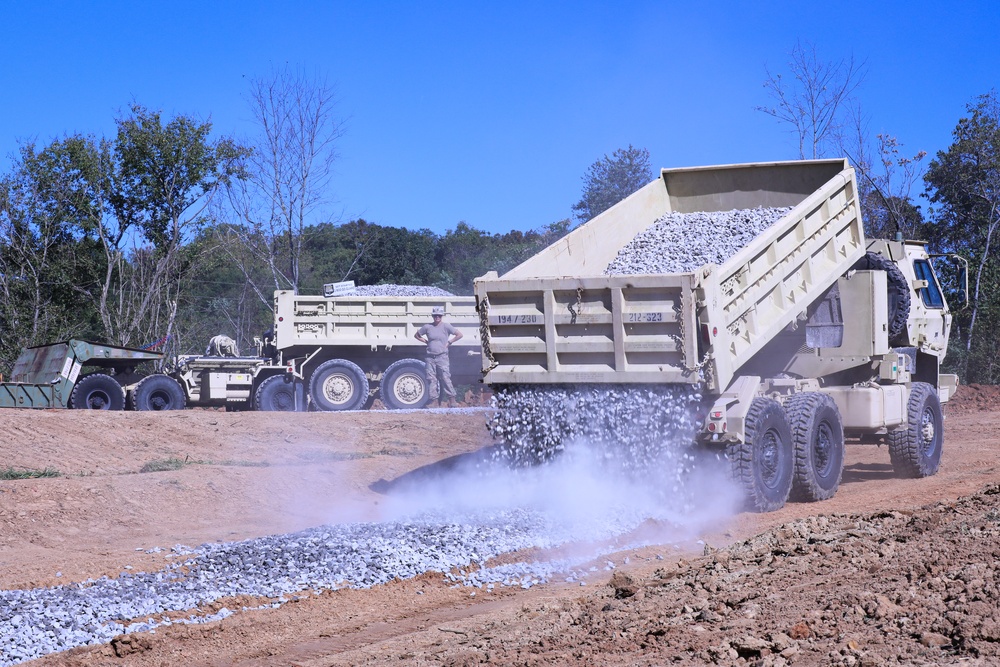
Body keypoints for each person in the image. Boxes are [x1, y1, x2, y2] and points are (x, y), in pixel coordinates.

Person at [414, 306, 463, 407]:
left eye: (439, 315)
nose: (437, 317)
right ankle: (434, 402)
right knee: (431, 379)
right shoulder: (427, 327)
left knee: (445, 378)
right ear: (433, 316)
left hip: (442, 357)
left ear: (442, 316)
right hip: (430, 357)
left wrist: (449, 342)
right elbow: (417, 335)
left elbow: (459, 335)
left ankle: (452, 401)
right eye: (435, 315)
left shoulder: (446, 326)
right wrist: (426, 341)